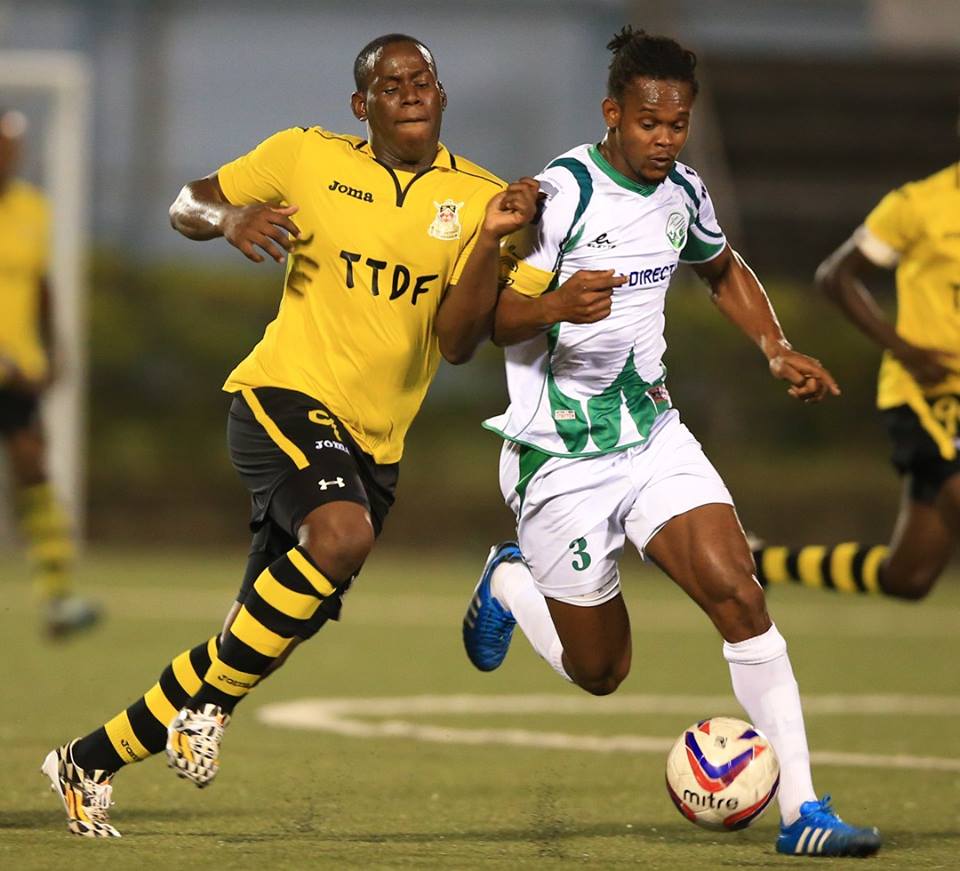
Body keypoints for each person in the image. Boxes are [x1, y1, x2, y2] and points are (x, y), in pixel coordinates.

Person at [42, 33, 538, 839]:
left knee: (254, 637)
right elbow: (184, 202)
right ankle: (209, 706)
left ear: (442, 96)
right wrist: (229, 215)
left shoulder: (484, 200)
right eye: (391, 84)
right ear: (360, 106)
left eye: (424, 80)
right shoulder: (306, 157)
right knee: (342, 537)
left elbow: (456, 341)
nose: (411, 92)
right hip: (283, 397)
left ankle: (87, 758)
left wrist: (489, 245)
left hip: (377, 444)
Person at [461, 27, 881, 858]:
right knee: (602, 671)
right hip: (559, 458)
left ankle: (802, 812)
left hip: (651, 435)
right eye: (650, 123)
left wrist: (775, 345)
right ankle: (510, 580)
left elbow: (721, 268)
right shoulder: (559, 195)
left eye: (678, 124)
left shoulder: (682, 190)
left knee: (740, 593)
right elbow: (479, 323)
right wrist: (551, 306)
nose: (665, 140)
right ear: (613, 113)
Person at [751, 162, 960, 599]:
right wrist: (906, 351)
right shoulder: (919, 204)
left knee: (909, 577)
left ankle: (759, 561)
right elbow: (836, 277)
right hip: (927, 396)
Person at [0, 108, 99, 638]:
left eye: (14, 148)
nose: (10, 157)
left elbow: (39, 284)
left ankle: (58, 595)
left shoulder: (32, 210)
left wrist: (53, 347)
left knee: (34, 467)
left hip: (17, 375)